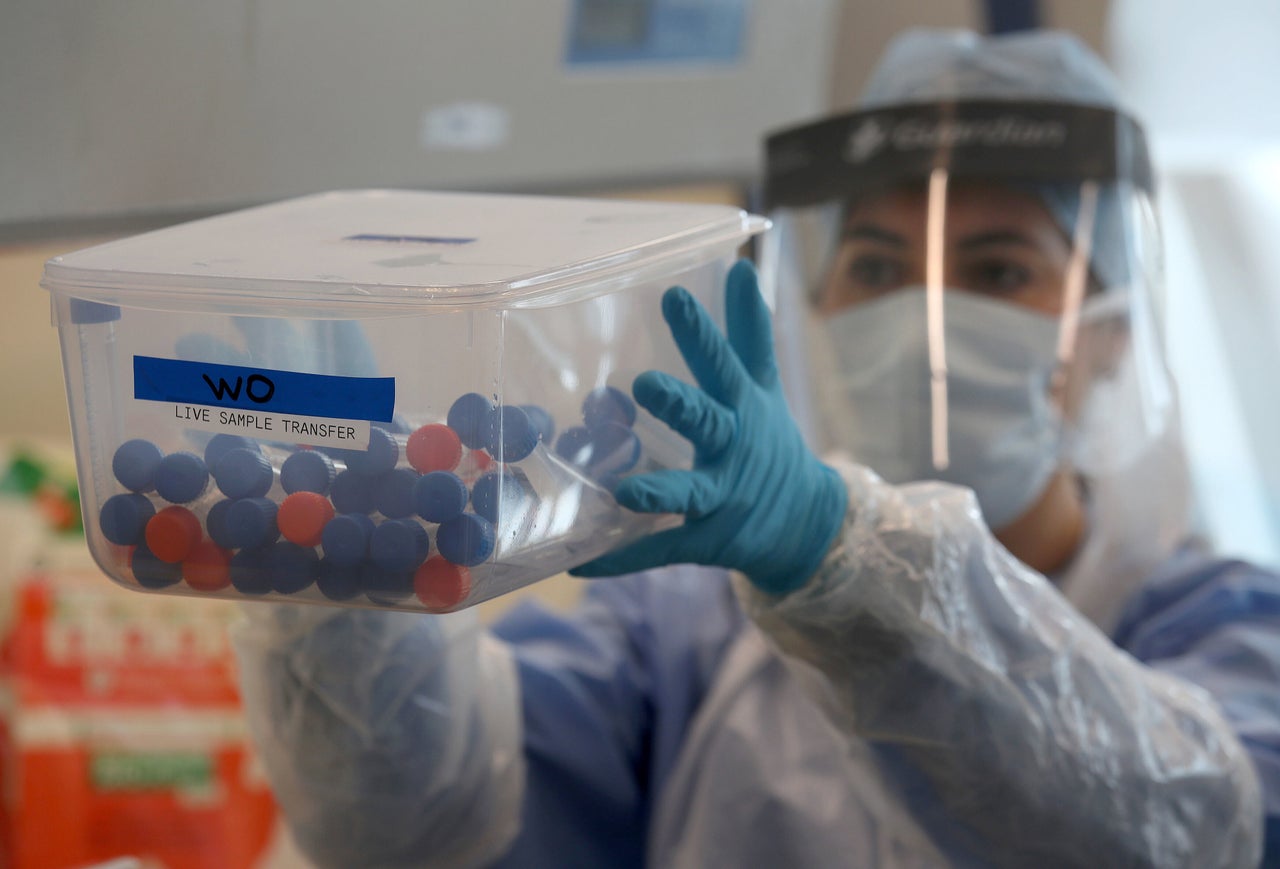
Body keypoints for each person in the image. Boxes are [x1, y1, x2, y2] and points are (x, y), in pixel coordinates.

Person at [233, 29, 1280, 868]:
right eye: (873, 264)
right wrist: (350, 595)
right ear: (814, 306)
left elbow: (1192, 832)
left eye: (998, 270)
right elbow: (422, 833)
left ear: (1106, 330)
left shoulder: (1221, 628)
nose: (922, 312)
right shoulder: (685, 629)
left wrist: (841, 557)